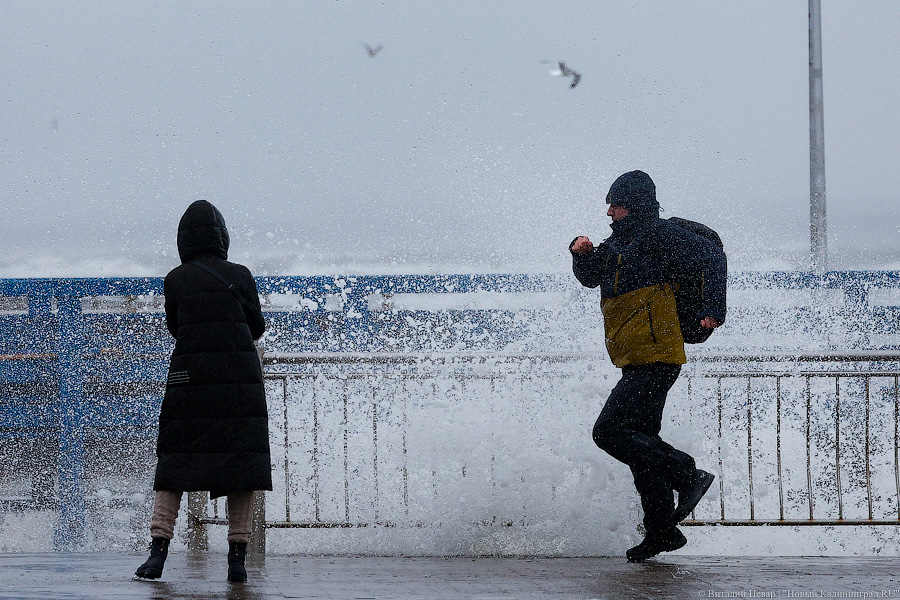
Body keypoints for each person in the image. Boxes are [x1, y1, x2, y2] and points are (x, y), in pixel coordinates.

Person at [569, 170, 726, 562]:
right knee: (640, 444)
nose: (609, 211)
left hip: (656, 353)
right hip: (635, 353)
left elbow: (712, 256)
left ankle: (687, 475)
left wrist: (712, 310)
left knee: (608, 432)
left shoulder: (658, 233)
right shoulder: (621, 240)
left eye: (616, 204)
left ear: (635, 205)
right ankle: (661, 531)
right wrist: (580, 254)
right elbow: (591, 279)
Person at [135, 200, 272, 582]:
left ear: (183, 241)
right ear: (222, 237)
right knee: (241, 465)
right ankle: (237, 560)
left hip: (190, 380)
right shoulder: (241, 275)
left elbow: (177, 326)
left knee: (175, 461)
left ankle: (157, 555)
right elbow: (255, 326)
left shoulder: (176, 279)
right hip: (239, 381)